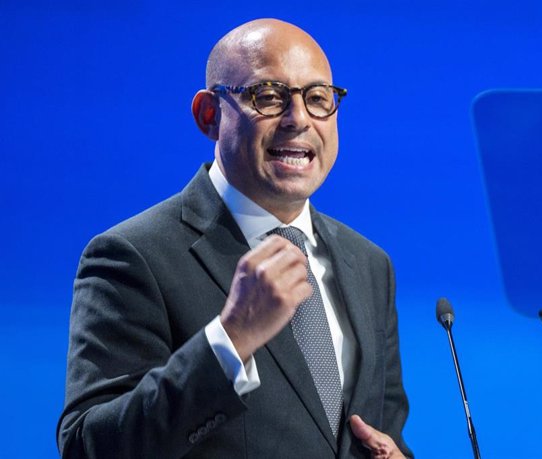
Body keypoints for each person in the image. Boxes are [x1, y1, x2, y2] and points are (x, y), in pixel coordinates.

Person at [57, 18, 413, 459]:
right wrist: (231, 340)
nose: (298, 119)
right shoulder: (132, 257)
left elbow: (382, 435)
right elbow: (88, 447)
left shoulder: (370, 264)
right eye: (268, 96)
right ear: (210, 115)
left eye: (318, 99)